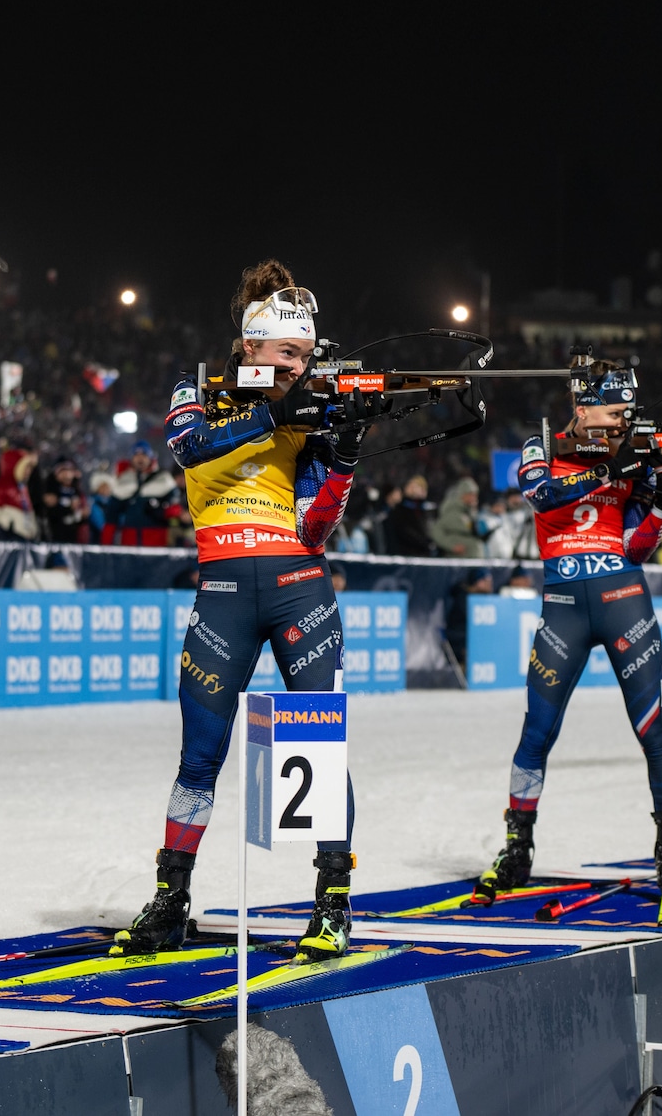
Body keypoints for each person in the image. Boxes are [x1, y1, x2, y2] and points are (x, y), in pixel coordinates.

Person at [115, 260, 367, 962]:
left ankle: (333, 904)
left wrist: (344, 457)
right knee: (198, 757)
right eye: (286, 353)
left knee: (316, 748)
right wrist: (272, 415)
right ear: (252, 343)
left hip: (299, 586)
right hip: (223, 592)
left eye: (305, 356)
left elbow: (318, 528)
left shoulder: (310, 408)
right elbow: (189, 447)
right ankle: (170, 900)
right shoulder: (198, 390)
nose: (298, 367)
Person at [473, 360, 662, 924]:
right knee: (537, 732)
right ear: (583, 407)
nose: (624, 422)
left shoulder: (632, 451)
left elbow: (638, 546)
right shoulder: (542, 446)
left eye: (629, 414)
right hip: (563, 610)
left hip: (625, 600)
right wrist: (608, 470)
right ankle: (517, 845)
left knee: (653, 728)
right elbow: (542, 496)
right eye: (616, 412)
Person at [0, 447, 41, 539]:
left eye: (29, 468)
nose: (28, 471)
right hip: (8, 541)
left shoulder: (22, 488)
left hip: (24, 539)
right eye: (25, 467)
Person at [431, 477, 486, 557]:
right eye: (471, 494)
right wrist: (452, 546)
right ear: (463, 495)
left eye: (475, 495)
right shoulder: (452, 510)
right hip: (457, 560)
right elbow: (436, 531)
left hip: (473, 557)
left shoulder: (471, 512)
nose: (474, 498)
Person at [384, 475, 437, 556]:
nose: (417, 490)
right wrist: (425, 543)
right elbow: (405, 532)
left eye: (422, 488)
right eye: (413, 487)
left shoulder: (429, 510)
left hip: (424, 553)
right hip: (405, 553)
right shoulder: (400, 511)